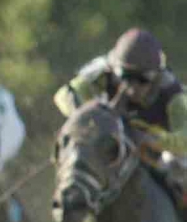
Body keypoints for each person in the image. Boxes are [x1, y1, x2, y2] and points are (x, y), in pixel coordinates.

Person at [54, 28, 187, 159]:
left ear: (157, 76)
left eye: (143, 79)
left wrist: (152, 140)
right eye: (126, 76)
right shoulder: (103, 72)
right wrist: (85, 115)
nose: (132, 88)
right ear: (114, 69)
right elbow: (64, 94)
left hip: (159, 156)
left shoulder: (173, 94)